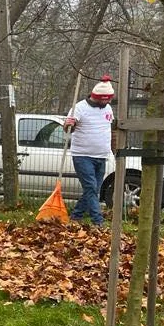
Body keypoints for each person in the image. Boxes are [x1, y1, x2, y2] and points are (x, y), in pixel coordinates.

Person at [65, 75, 115, 226]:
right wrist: (69, 124)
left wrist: (113, 149)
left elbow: (110, 129)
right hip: (82, 156)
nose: (108, 102)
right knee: (91, 188)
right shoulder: (79, 107)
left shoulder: (108, 108)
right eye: (106, 99)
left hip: (101, 156)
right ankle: (98, 221)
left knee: (93, 190)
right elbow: (68, 129)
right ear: (98, 97)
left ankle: (76, 216)